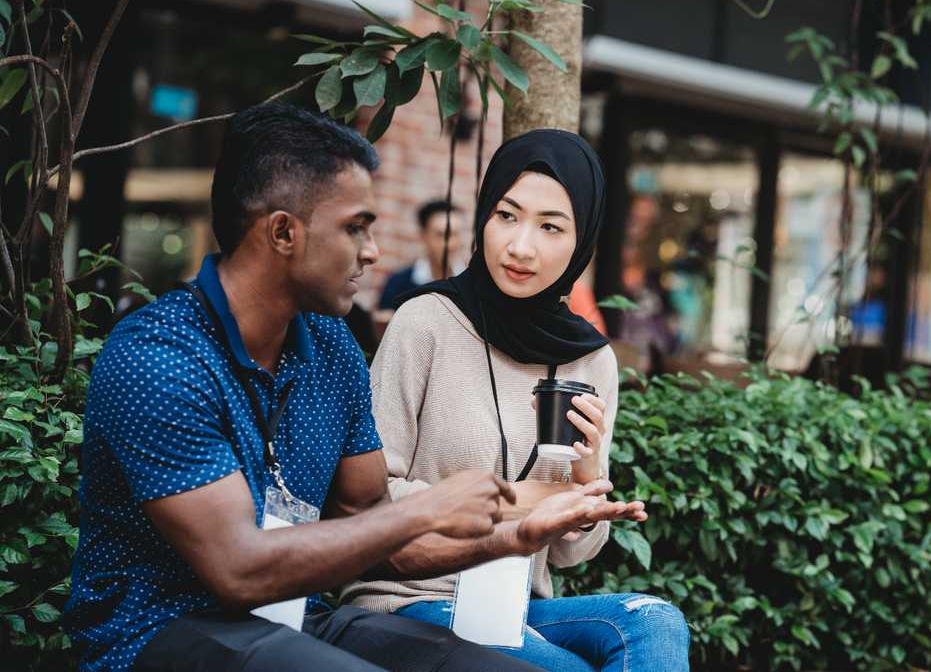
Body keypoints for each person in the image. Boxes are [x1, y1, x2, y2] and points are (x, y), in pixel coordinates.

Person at [63, 104, 624, 672]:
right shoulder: (156, 359)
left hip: (299, 618)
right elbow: (239, 570)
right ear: (284, 231)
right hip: (158, 632)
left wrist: (513, 536)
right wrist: (428, 508)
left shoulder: (332, 349)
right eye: (356, 227)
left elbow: (375, 526)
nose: (374, 250)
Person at [343, 129, 691, 671]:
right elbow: (367, 495)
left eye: (551, 226)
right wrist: (518, 502)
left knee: (655, 619)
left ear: (582, 240)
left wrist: (588, 475)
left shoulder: (590, 360)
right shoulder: (427, 322)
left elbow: (571, 554)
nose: (520, 245)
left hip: (515, 605)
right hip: (407, 598)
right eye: (507, 215)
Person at [377, 199, 465, 311]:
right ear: (423, 236)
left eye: (456, 234)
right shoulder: (398, 283)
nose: (451, 244)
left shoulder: (473, 285)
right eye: (441, 235)